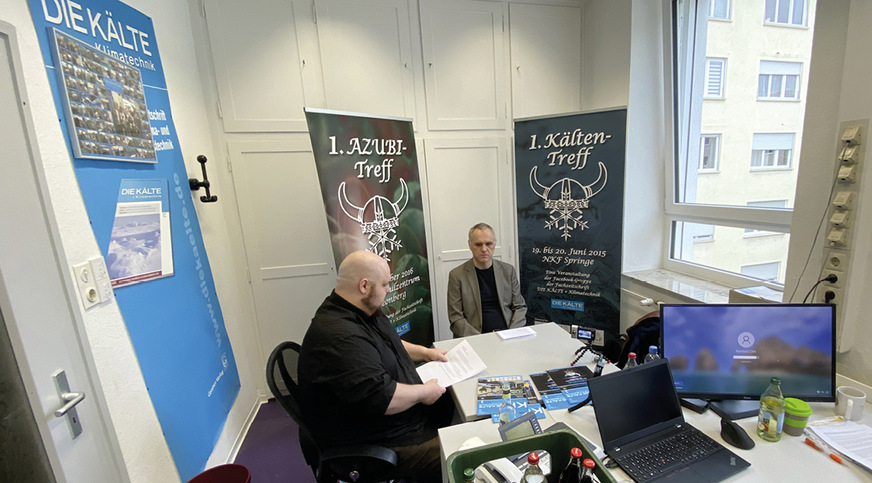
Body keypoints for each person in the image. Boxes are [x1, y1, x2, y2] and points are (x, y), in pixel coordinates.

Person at [298, 250, 453, 482]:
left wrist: (424, 352)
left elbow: (388, 342)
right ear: (364, 286)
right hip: (380, 442)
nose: (389, 290)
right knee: (461, 453)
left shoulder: (360, 309)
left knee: (454, 405)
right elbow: (384, 398)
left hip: (395, 422)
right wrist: (424, 392)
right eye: (385, 284)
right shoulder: (339, 336)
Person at [447, 222, 527, 337]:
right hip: (474, 336)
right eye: (478, 244)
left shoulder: (508, 271)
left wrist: (512, 333)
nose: (484, 249)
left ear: (494, 244)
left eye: (488, 244)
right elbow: (455, 317)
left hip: (507, 333)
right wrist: (480, 339)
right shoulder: (457, 275)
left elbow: (519, 307)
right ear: (470, 245)